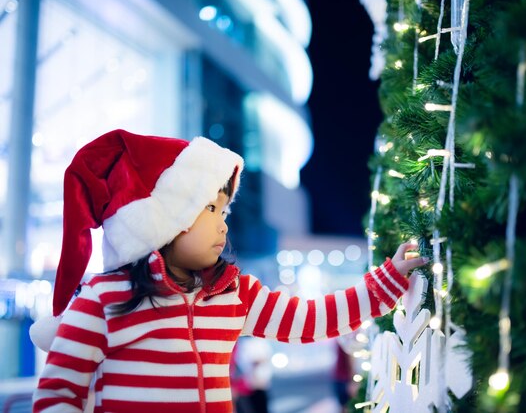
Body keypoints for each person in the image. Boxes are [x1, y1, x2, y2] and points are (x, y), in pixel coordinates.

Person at [30, 129, 429, 413]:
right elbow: (57, 394)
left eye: (224, 210)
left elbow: (309, 320)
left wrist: (387, 281)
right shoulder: (102, 300)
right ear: (162, 221)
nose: (223, 223)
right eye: (209, 209)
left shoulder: (232, 293)